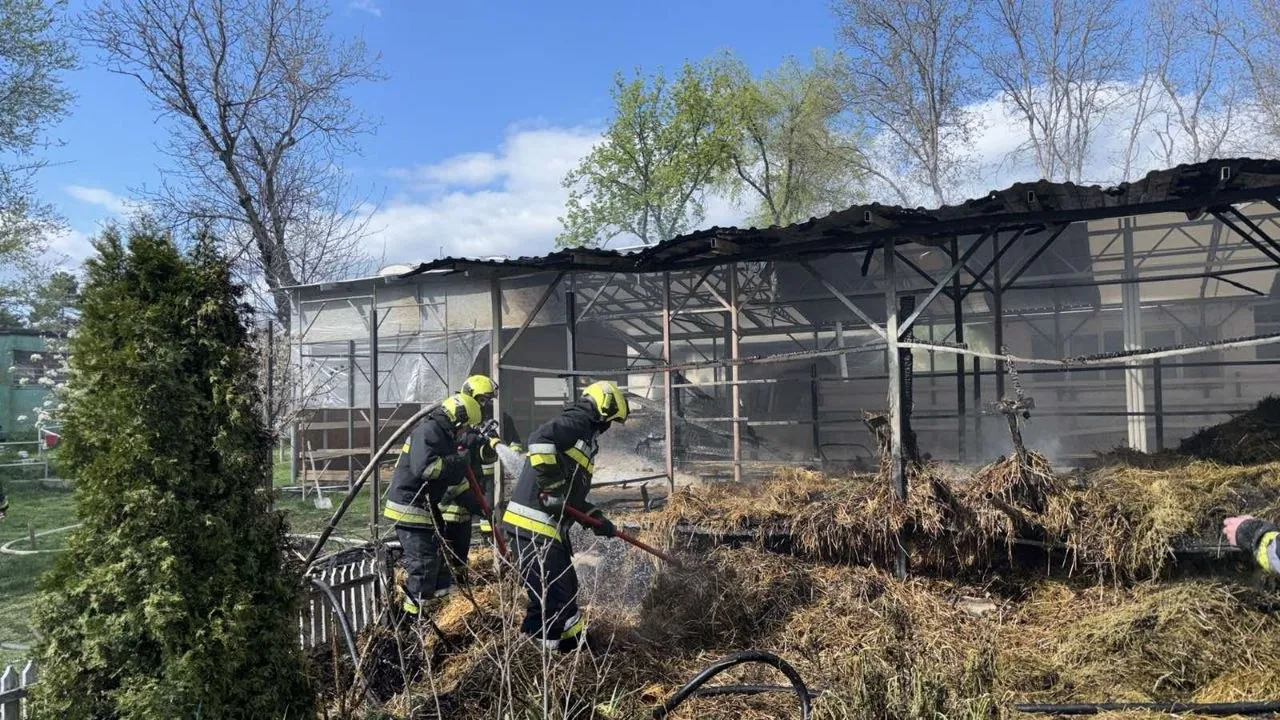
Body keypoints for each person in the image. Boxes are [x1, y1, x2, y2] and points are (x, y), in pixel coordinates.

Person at [501, 380, 628, 651]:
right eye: (609, 420)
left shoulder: (583, 436)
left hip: (543, 529)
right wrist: (552, 485)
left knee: (561, 590)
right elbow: (539, 441)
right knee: (555, 596)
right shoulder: (579, 421)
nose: (607, 428)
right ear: (601, 409)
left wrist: (595, 518)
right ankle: (546, 658)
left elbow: (570, 497)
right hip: (533, 526)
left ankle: (569, 643)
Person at [383, 392, 483, 618]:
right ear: (457, 419)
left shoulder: (444, 435)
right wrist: (458, 461)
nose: (465, 433)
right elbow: (426, 469)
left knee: (442, 564)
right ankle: (412, 623)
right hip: (410, 507)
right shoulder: (429, 431)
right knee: (425, 566)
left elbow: (452, 481)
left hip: (426, 507)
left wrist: (477, 504)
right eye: (466, 427)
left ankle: (441, 614)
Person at [437, 374, 501, 591]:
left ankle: (460, 590)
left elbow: (481, 459)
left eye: (487, 401)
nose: (484, 405)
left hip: (467, 498)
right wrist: (477, 505)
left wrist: (488, 445)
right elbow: (458, 449)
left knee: (460, 554)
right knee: (450, 554)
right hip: (451, 504)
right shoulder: (456, 422)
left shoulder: (475, 422)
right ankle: (452, 592)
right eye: (482, 399)